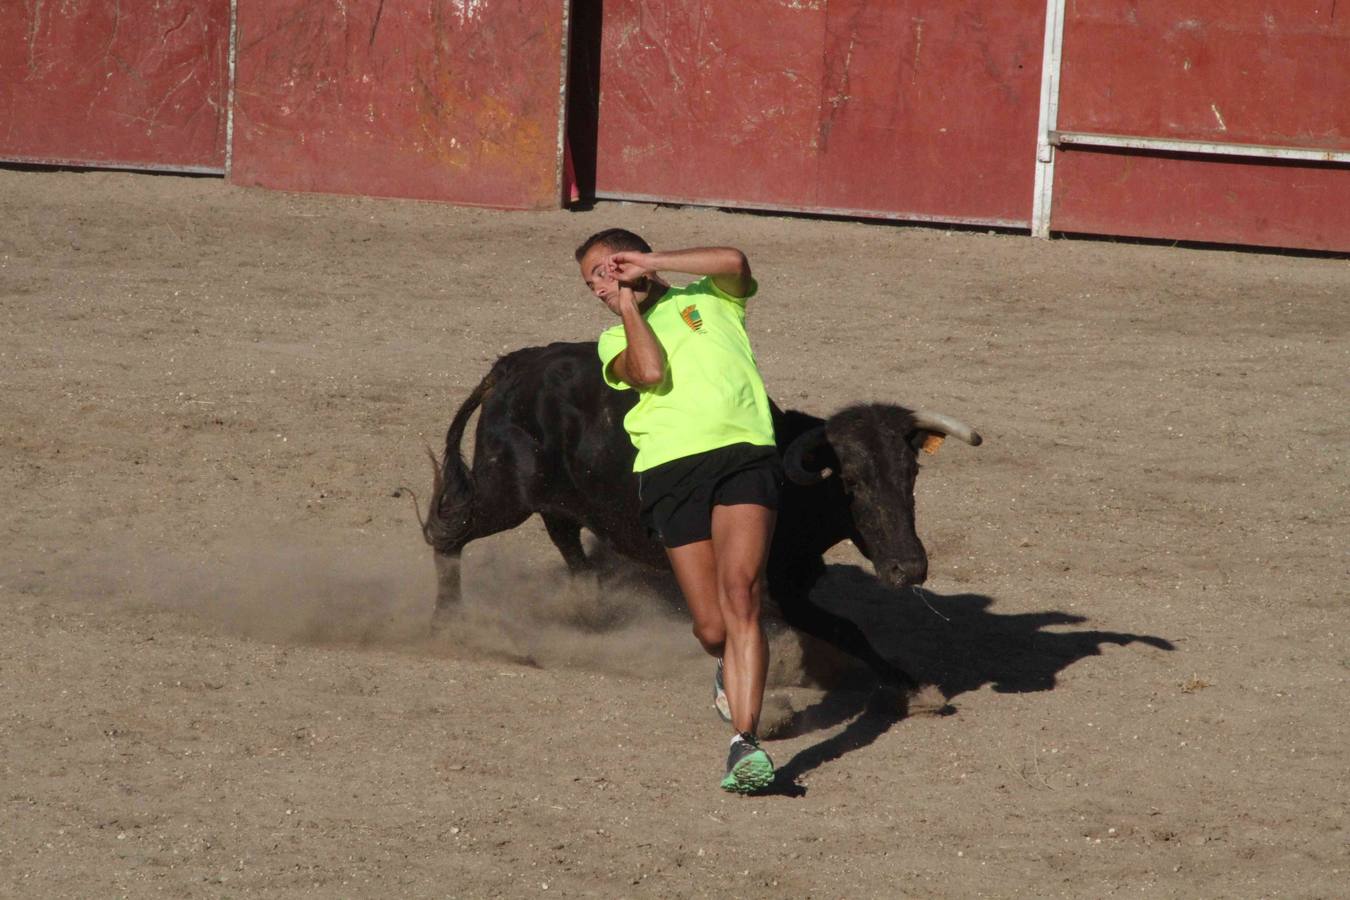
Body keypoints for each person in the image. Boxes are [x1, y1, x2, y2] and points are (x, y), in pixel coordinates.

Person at [576, 227, 780, 794]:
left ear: (633, 259)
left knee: (742, 594)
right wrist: (626, 311)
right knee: (713, 628)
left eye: (605, 269)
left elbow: (735, 257)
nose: (599, 286)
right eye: (590, 281)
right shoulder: (607, 342)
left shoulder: (713, 297)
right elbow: (650, 373)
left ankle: (745, 744)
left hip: (744, 454)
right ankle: (727, 667)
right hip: (670, 470)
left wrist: (652, 261)